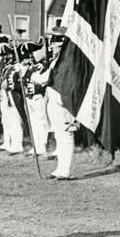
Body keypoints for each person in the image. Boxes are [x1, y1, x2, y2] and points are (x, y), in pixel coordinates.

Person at [32, 27, 76, 179]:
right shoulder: (57, 61)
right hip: (54, 101)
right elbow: (43, 76)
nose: (51, 47)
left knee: (66, 135)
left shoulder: (68, 61)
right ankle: (60, 168)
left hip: (65, 103)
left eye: (54, 45)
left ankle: (66, 170)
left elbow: (44, 78)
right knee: (59, 136)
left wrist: (32, 76)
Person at [21, 39, 50, 157]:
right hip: (29, 97)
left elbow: (44, 82)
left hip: (38, 97)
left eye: (33, 53)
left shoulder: (44, 66)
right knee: (33, 122)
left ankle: (42, 145)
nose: (31, 56)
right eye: (29, 54)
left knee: (41, 122)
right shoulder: (29, 67)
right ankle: (35, 145)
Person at [0, 43, 24, 155]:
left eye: (10, 55)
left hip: (13, 96)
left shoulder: (18, 67)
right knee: (6, 120)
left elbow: (21, 83)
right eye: (6, 55)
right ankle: (7, 142)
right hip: (5, 96)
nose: (7, 57)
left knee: (15, 121)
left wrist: (9, 85)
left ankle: (17, 144)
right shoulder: (7, 68)